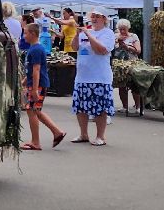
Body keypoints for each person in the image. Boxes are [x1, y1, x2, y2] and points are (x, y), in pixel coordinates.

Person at [69, 10, 117, 146]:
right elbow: (74, 47)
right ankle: (83, 134)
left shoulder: (107, 33)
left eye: (98, 17)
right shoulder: (85, 31)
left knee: (100, 108)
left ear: (104, 19)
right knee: (81, 107)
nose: (94, 19)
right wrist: (77, 35)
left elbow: (101, 50)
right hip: (82, 77)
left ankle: (100, 136)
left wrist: (89, 34)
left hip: (99, 78)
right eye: (93, 17)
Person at [19, 21, 67, 150]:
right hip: (36, 84)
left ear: (33, 34)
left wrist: (34, 89)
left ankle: (36, 142)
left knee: (32, 110)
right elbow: (31, 70)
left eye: (26, 33)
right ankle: (57, 132)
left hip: (38, 85)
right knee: (36, 111)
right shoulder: (34, 48)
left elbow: (36, 70)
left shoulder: (36, 49)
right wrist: (24, 82)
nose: (24, 36)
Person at [116, 18, 143, 112]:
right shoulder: (116, 36)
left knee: (134, 85)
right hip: (119, 64)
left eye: (124, 29)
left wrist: (128, 47)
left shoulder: (133, 36)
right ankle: (125, 106)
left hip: (132, 63)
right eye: (120, 29)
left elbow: (138, 50)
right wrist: (118, 43)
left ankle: (138, 106)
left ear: (128, 28)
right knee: (121, 86)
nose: (122, 31)